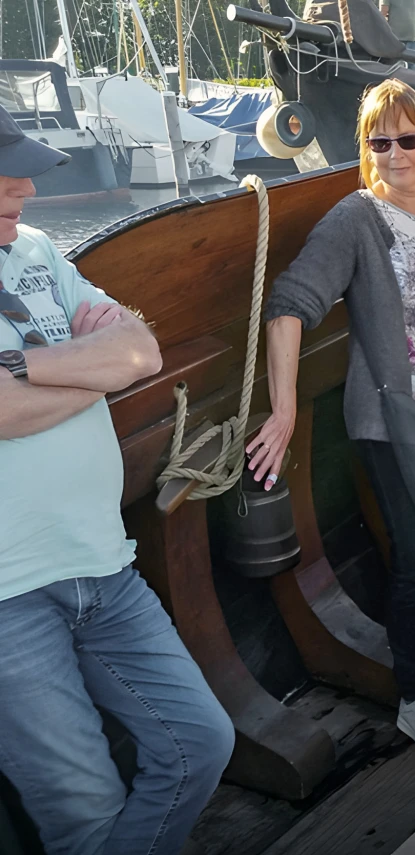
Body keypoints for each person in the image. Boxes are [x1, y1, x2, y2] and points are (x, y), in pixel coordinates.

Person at [250, 79, 415, 756]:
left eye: (408, 138)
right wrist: (283, 409)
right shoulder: (355, 219)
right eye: (380, 141)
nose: (395, 153)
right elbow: (288, 304)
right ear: (365, 150)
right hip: (402, 429)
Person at [0, 104, 234, 855]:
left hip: (105, 566)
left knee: (201, 741)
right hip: (9, 597)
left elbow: (140, 352)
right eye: (7, 178)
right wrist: (87, 370)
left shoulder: (36, 250)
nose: (26, 193)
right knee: (84, 814)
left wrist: (23, 365)